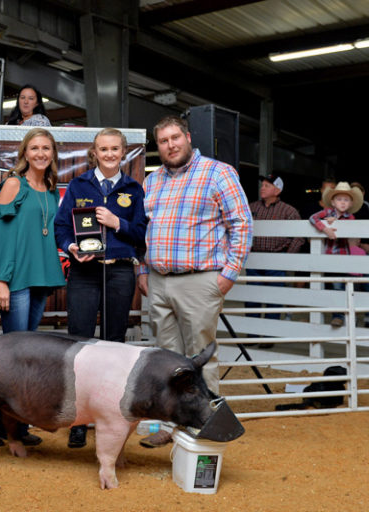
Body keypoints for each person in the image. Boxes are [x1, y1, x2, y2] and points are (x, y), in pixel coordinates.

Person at [136, 115, 252, 448]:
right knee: (167, 360)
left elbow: (241, 225)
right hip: (159, 281)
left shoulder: (218, 173)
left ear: (187, 137)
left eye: (175, 138)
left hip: (199, 280)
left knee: (201, 357)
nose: (170, 145)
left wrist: (228, 274)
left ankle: (207, 429)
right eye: (163, 141)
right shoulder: (153, 180)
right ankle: (172, 426)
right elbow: (144, 231)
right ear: (157, 147)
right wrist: (143, 271)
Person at [54, 127, 147, 448]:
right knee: (79, 345)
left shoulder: (133, 189)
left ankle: (109, 417)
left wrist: (116, 223)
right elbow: (62, 227)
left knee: (113, 346)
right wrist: (71, 248)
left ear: (124, 152)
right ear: (94, 153)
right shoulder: (79, 185)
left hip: (119, 273)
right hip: (84, 272)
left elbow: (141, 234)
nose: (109, 154)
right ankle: (77, 420)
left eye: (115, 149)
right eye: (103, 149)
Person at [0, 127, 66, 445]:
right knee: (15, 358)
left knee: (27, 358)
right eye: (34, 148)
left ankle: (14, 426)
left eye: (46, 148)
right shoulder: (13, 184)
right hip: (16, 280)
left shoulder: (49, 188)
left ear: (53, 154)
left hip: (39, 280)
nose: (41, 153)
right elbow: (2, 237)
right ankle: (4, 428)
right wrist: (1, 280)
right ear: (25, 153)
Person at [245, 174, 303, 338]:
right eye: (262, 185)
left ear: (277, 190)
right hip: (255, 260)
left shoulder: (288, 211)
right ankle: (252, 336)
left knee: (274, 299)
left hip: (276, 260)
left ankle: (269, 335)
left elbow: (299, 237)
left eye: (267, 185)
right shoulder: (252, 208)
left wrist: (285, 259)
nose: (262, 188)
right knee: (252, 299)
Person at [308, 181, 363, 327]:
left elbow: (352, 229)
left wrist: (336, 221)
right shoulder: (326, 212)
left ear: (351, 203)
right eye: (339, 199)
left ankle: (348, 315)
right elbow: (312, 218)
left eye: (346, 200)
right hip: (331, 258)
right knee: (335, 286)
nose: (342, 203)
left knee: (346, 286)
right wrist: (325, 228)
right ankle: (337, 315)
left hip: (345, 258)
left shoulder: (350, 218)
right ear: (332, 201)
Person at [350, 182, 369, 326]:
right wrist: (363, 246)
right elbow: (348, 234)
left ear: (363, 193)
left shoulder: (366, 205)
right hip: (353, 251)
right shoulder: (347, 206)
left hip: (368, 251)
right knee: (353, 287)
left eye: (360, 191)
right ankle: (352, 320)